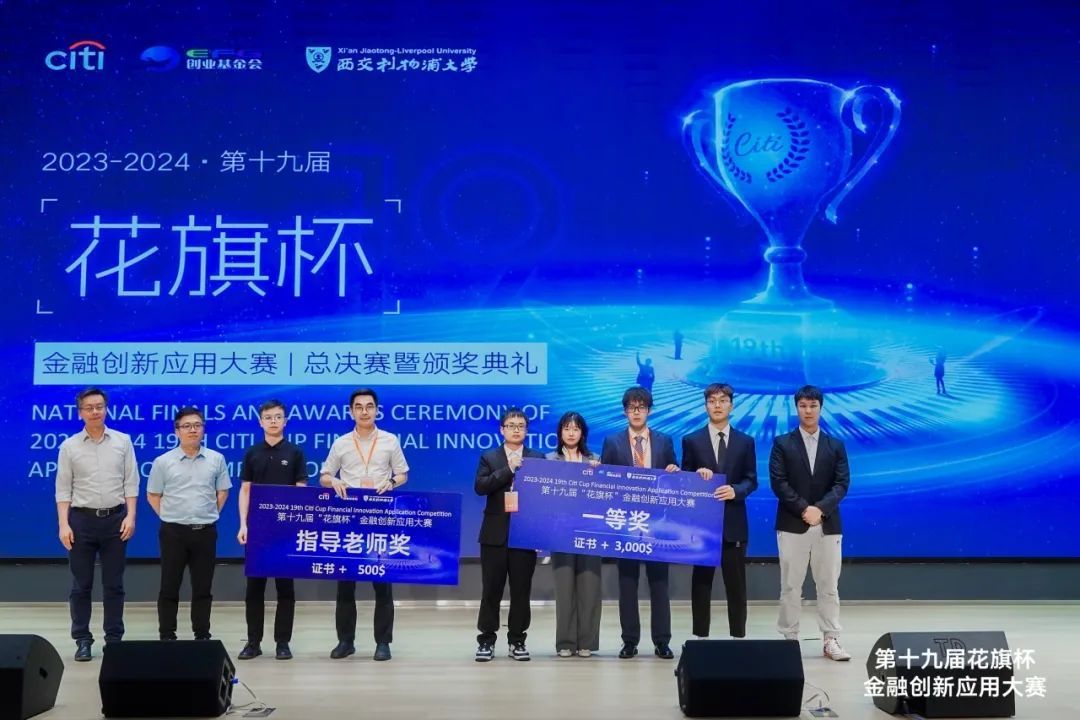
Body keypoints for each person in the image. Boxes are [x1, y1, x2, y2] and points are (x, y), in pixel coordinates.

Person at [320, 388, 409, 661]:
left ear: (376, 410)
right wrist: (334, 481)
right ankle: (345, 641)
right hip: (349, 518)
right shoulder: (341, 443)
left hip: (380, 517)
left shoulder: (390, 440)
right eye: (358, 407)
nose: (364, 411)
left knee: (382, 582)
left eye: (369, 406)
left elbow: (403, 473)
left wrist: (391, 482)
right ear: (351, 412)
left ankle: (383, 642)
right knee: (345, 582)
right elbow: (324, 475)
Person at [54, 387, 139, 662]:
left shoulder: (123, 441)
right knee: (81, 585)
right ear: (80, 412)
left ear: (106, 409)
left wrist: (131, 516)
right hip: (81, 522)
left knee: (114, 584)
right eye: (89, 408)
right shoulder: (69, 446)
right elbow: (63, 489)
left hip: (116, 520)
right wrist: (63, 524)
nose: (95, 412)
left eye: (99, 406)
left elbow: (131, 482)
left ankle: (114, 640)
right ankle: (82, 639)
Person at [770, 385, 852, 661]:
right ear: (797, 408)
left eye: (813, 406)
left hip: (828, 526)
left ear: (820, 408)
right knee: (790, 586)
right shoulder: (782, 443)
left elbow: (842, 484)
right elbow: (779, 483)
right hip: (792, 523)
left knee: (828, 586)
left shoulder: (835, 445)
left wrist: (821, 509)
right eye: (803, 406)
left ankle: (831, 639)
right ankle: (789, 638)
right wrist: (805, 509)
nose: (808, 411)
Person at [600, 386, 679, 660]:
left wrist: (674, 471)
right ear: (625, 411)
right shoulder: (613, 442)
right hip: (625, 522)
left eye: (641, 407)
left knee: (659, 584)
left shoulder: (664, 441)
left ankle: (662, 641)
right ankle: (629, 641)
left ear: (649, 411)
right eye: (632, 407)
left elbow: (674, 478)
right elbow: (605, 482)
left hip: (657, 522)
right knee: (627, 584)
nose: (636, 412)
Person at [147, 407, 231, 641]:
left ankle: (202, 635)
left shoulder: (216, 459)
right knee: (169, 586)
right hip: (173, 533)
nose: (192, 430)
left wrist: (209, 513)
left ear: (203, 429)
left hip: (205, 532)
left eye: (197, 425)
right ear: (177, 431)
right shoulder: (163, 461)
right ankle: (167, 635)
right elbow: (153, 495)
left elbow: (222, 491)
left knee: (203, 588)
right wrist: (170, 516)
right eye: (186, 426)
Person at [681, 383, 758, 639]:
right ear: (706, 406)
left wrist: (736, 490)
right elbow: (684, 481)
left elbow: (751, 480)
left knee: (736, 585)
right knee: (701, 584)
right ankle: (700, 637)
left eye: (722, 400)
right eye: (712, 401)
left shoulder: (745, 442)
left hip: (733, 523)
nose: (717, 405)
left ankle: (738, 636)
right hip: (703, 526)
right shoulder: (692, 440)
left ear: (731, 406)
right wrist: (696, 476)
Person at [237, 400, 308, 661]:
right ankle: (253, 642)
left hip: (285, 530)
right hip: (258, 530)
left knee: (285, 589)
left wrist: (297, 524)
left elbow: (301, 491)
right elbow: (245, 490)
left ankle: (283, 643)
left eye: (278, 417)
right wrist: (243, 524)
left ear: (285, 421)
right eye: (268, 417)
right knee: (254, 589)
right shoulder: (252, 453)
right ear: (261, 422)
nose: (273, 421)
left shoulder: (295, 452)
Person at [474, 408, 543, 662]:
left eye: (521, 425)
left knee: (521, 591)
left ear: (526, 430)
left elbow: (543, 498)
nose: (516, 429)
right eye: (511, 425)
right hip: (494, 535)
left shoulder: (537, 458)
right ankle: (486, 641)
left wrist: (540, 534)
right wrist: (509, 469)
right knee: (491, 590)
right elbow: (480, 487)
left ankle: (517, 640)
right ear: (502, 429)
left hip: (524, 536)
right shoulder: (490, 457)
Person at [546, 411, 602, 658]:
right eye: (567, 428)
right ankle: (566, 642)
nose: (571, 433)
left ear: (582, 433)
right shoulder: (549, 460)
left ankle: (586, 642)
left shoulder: (595, 459)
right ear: (560, 432)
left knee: (590, 587)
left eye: (576, 428)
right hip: (560, 532)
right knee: (564, 588)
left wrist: (599, 473)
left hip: (590, 530)